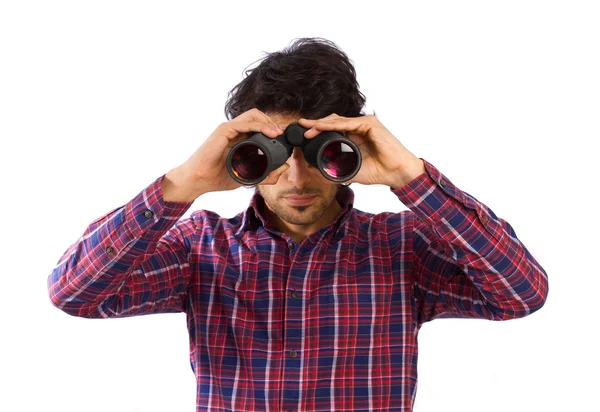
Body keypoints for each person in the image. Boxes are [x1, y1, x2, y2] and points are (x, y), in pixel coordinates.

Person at [48, 37, 548, 411]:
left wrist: (411, 178)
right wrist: (183, 184)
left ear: (349, 148)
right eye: (273, 156)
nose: (296, 176)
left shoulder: (403, 247)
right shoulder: (201, 246)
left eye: (318, 153)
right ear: (244, 154)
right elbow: (74, 293)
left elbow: (520, 294)